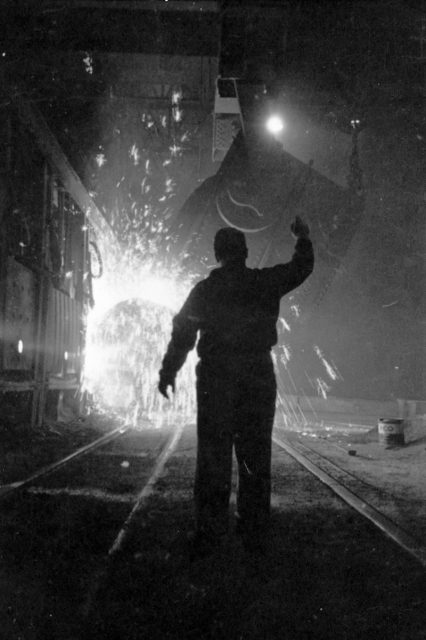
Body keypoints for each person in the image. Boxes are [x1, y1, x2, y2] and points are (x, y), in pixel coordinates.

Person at [158, 216, 314, 554]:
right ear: (244, 252)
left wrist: (167, 372)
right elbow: (301, 268)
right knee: (255, 454)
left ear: (217, 254)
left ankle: (210, 531)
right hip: (257, 375)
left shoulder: (204, 290)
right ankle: (254, 529)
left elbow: (182, 335)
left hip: (216, 379)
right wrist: (302, 237)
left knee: (213, 455)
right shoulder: (265, 282)